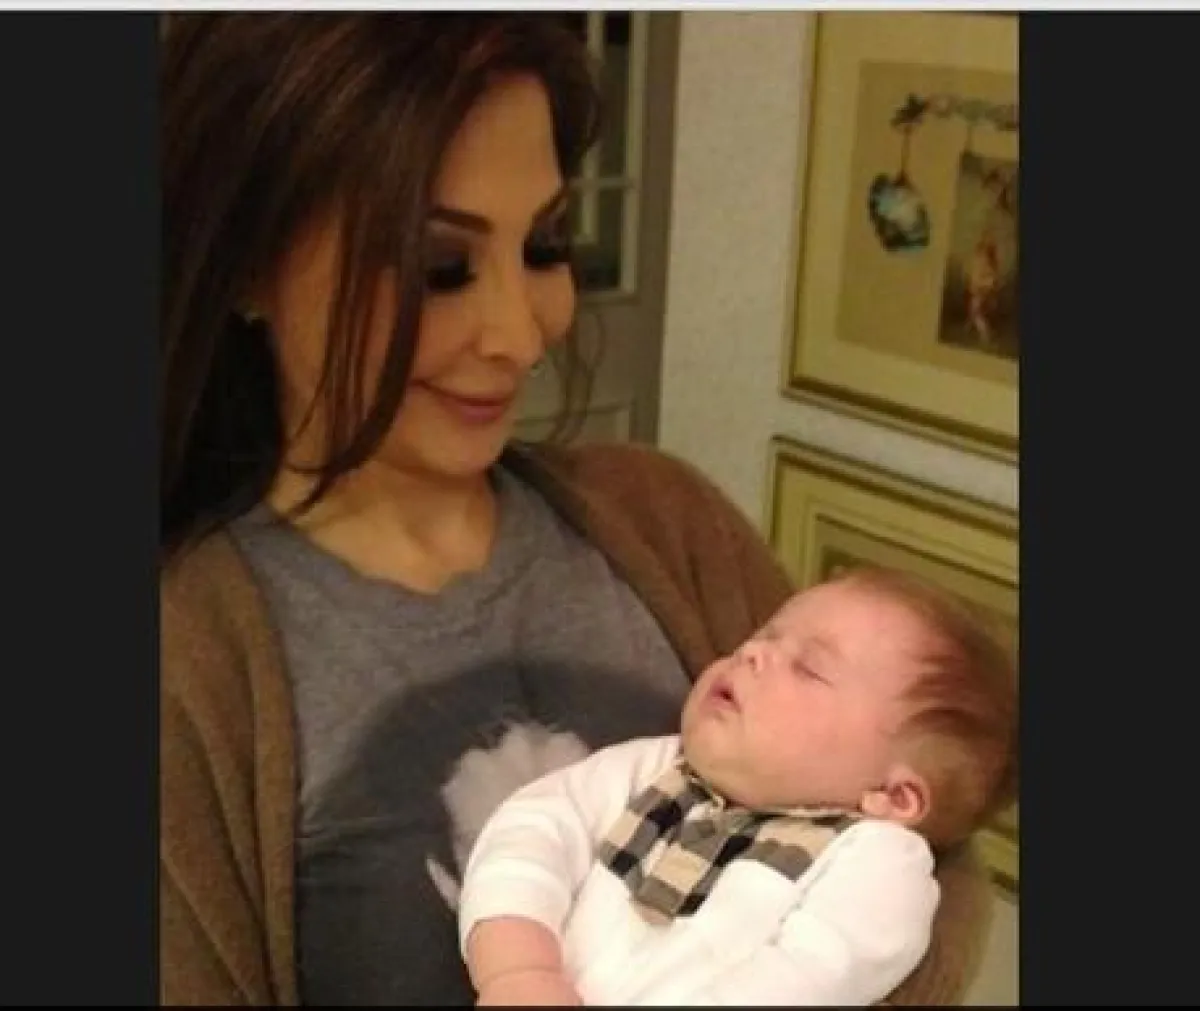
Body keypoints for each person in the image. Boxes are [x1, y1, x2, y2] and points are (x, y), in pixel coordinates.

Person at [159, 13, 994, 1006]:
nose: (522, 333)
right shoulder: (187, 660)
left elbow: (926, 833)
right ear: (249, 262)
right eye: (439, 266)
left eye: (546, 245)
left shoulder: (663, 515)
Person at [456, 566, 1018, 1006]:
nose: (753, 652)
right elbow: (530, 833)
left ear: (893, 797)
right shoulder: (655, 768)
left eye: (809, 667)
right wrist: (517, 969)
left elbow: (804, 982)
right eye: (764, 635)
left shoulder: (875, 862)